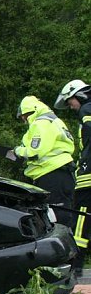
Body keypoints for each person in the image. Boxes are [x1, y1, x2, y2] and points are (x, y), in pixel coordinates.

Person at [13, 95, 76, 227]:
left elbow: (34, 152)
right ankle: (67, 243)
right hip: (64, 174)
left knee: (54, 216)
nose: (24, 121)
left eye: (23, 117)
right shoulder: (56, 121)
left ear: (28, 112)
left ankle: (57, 246)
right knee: (64, 213)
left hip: (51, 174)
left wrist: (18, 151)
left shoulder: (40, 123)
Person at [55, 79, 91, 276]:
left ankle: (75, 267)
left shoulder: (87, 110)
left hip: (89, 177)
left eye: (70, 102)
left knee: (81, 219)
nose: (71, 106)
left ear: (79, 95)